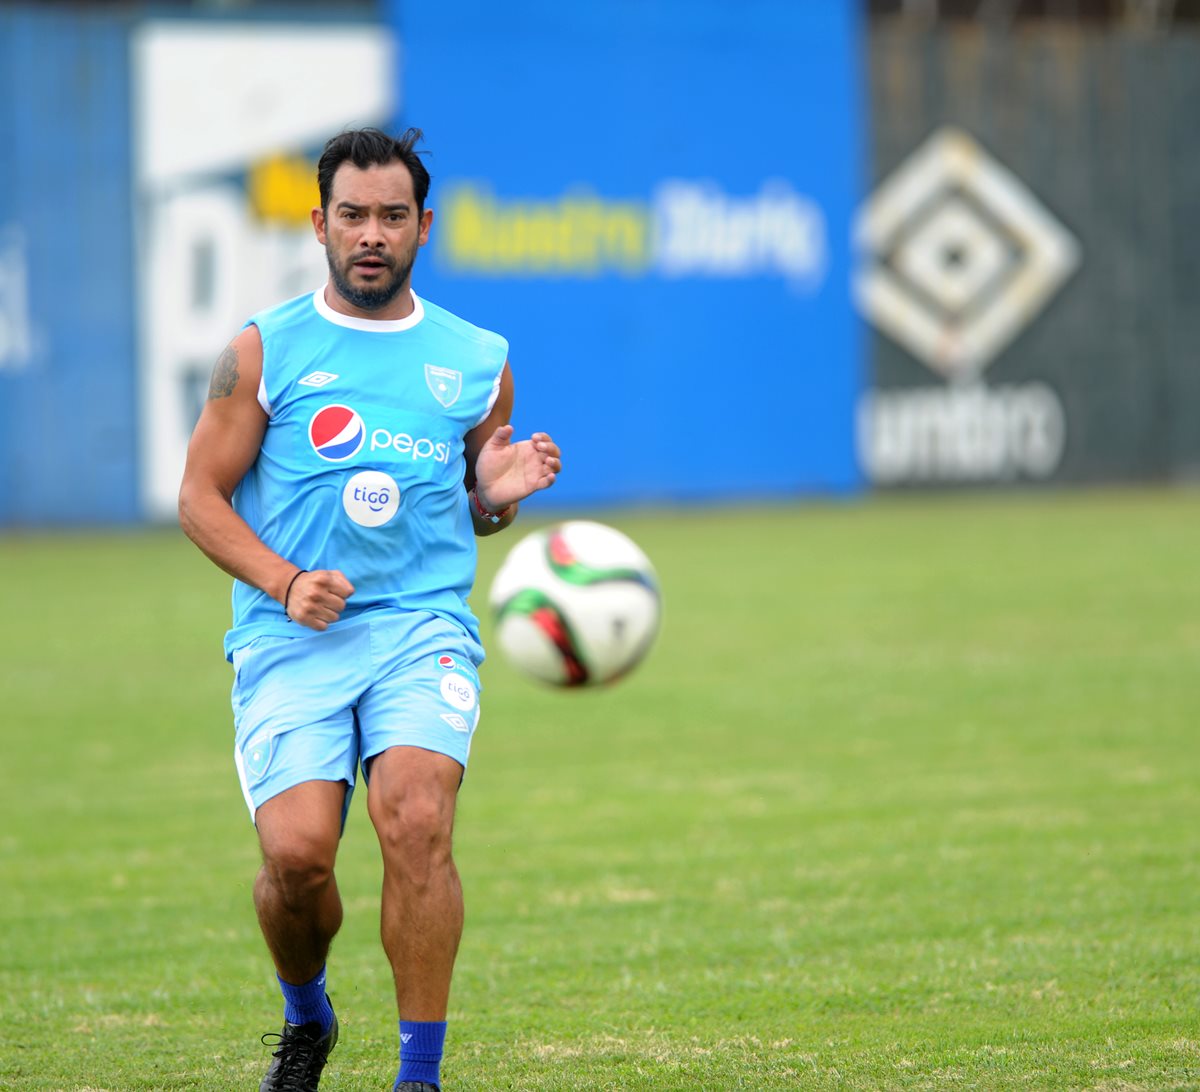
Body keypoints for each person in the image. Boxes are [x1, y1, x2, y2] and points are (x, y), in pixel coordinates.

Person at [178, 127, 561, 1092]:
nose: (372, 234)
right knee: (299, 859)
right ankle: (307, 1016)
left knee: (417, 817)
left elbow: (471, 514)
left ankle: (418, 1078)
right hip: (289, 630)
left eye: (394, 216)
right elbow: (199, 497)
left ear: (424, 227)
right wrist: (282, 581)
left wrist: (495, 497)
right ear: (319, 224)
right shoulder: (263, 351)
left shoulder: (477, 360)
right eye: (353, 214)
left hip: (419, 627)